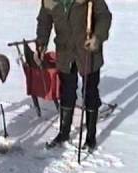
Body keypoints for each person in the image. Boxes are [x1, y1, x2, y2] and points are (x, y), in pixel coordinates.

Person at [36, 0, 112, 152]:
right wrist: (41, 44)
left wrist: (97, 37)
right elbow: (44, 20)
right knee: (67, 91)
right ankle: (64, 133)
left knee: (90, 92)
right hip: (65, 51)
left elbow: (104, 16)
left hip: (88, 50)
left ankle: (90, 137)